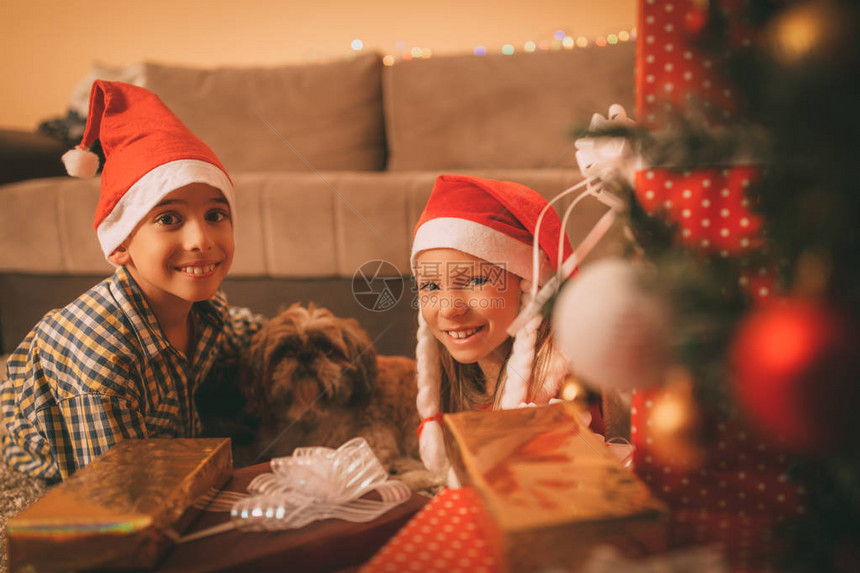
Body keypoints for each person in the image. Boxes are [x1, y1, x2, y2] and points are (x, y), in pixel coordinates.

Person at [0, 81, 265, 482]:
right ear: (121, 244)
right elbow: (121, 490)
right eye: (168, 219)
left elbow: (254, 332)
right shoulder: (100, 358)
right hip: (63, 458)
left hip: (169, 430)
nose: (202, 240)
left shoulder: (207, 314)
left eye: (215, 215)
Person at [411, 174, 604, 480]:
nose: (449, 308)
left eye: (475, 281)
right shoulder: (454, 383)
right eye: (431, 286)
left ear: (528, 288)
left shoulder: (568, 393)